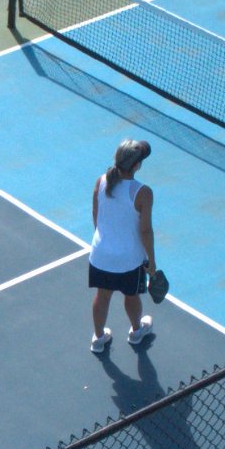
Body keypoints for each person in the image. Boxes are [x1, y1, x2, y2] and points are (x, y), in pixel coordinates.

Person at [87, 140, 157, 354]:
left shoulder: (101, 181)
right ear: (136, 166)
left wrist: (108, 241)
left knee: (102, 296)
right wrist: (152, 263)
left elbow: (96, 217)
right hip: (129, 260)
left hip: (100, 256)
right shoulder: (143, 192)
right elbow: (145, 231)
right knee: (132, 296)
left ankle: (98, 338)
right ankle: (136, 332)